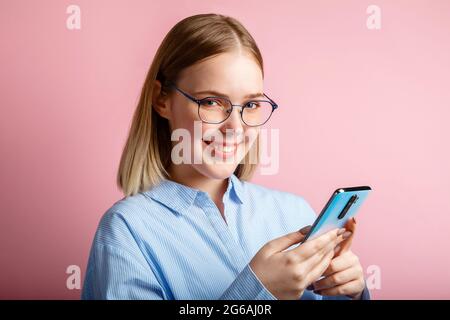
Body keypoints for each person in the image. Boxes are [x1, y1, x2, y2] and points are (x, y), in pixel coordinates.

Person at [82, 13, 369, 300]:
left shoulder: (294, 212)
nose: (235, 127)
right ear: (162, 100)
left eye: (251, 104)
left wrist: (351, 291)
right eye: (211, 102)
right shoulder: (127, 230)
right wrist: (259, 292)